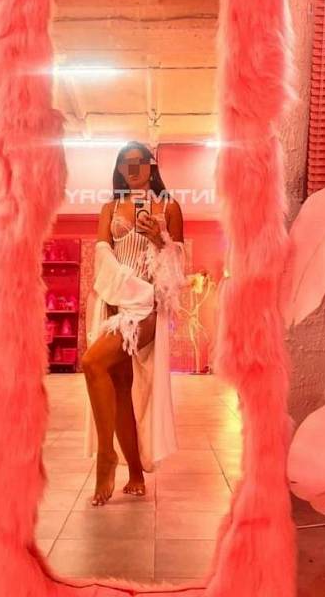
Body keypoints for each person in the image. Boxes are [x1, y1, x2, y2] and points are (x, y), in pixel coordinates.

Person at [82, 141, 185, 506]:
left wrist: (159, 238)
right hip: (113, 301)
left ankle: (106, 456)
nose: (132, 168)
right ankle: (135, 474)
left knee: (92, 363)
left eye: (139, 161)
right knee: (119, 384)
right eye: (125, 163)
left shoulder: (168, 207)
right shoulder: (109, 208)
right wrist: (120, 289)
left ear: (151, 166)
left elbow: (177, 267)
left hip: (147, 308)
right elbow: (102, 256)